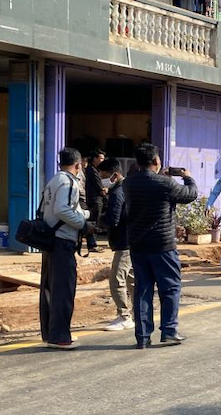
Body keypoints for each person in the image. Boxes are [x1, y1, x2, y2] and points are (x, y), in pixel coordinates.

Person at [122, 143, 197, 348]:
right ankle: (169, 331)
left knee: (142, 290)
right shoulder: (165, 183)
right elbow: (190, 194)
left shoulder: (128, 183)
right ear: (156, 160)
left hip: (138, 244)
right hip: (162, 245)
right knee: (170, 288)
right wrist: (187, 177)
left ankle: (142, 336)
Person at [39, 147, 88, 349]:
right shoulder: (69, 182)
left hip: (50, 241)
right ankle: (59, 337)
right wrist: (83, 224)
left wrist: (84, 215)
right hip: (62, 241)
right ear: (78, 165)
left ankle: (51, 333)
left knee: (50, 289)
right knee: (63, 291)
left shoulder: (54, 180)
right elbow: (62, 210)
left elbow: (50, 209)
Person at [99, 158, 134, 331]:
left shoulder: (117, 192)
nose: (102, 180)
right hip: (133, 240)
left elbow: (113, 219)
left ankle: (124, 316)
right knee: (132, 280)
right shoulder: (129, 187)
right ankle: (138, 312)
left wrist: (98, 221)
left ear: (114, 175)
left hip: (123, 243)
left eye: (104, 176)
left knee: (116, 280)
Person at [83, 148, 105, 253]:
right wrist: (105, 193)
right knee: (93, 222)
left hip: (94, 199)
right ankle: (92, 245)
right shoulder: (92, 170)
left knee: (94, 221)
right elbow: (99, 186)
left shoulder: (94, 170)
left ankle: (92, 244)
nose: (102, 160)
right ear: (95, 159)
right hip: (94, 200)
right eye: (101, 158)